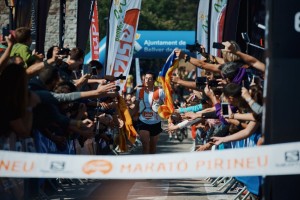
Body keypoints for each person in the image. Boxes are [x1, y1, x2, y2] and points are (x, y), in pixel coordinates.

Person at [136, 71, 165, 154]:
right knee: (145, 145)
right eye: (146, 78)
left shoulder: (160, 92)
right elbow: (136, 106)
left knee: (152, 148)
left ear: (153, 81)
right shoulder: (139, 91)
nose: (147, 80)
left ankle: (152, 165)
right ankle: (145, 165)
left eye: (150, 79)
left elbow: (166, 105)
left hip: (156, 121)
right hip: (143, 121)